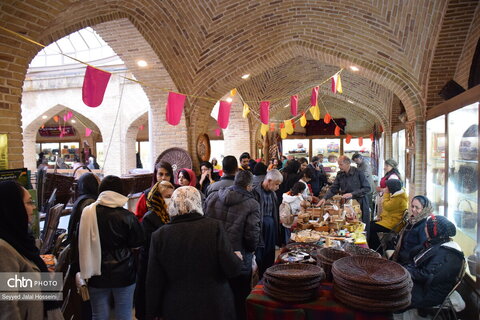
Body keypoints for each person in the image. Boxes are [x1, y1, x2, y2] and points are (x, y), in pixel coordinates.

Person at [146, 186, 242, 320]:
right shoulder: (214, 227)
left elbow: (154, 281)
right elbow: (232, 269)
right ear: (197, 202)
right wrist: (237, 258)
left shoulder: (159, 236)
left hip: (177, 307)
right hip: (215, 305)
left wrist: (152, 312)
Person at [78, 175, 144, 320]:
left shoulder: (88, 212)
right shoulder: (127, 216)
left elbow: (80, 242)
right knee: (124, 314)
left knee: (99, 315)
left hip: (95, 273)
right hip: (124, 272)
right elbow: (137, 242)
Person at [0, 180, 63, 319]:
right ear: (12, 207)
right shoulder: (3, 249)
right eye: (28, 203)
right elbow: (7, 308)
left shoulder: (21, 243)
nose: (33, 208)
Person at [204, 171, 261, 320]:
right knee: (240, 296)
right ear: (249, 186)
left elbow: (204, 224)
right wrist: (252, 250)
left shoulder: (212, 196)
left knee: (218, 296)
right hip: (239, 258)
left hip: (214, 256)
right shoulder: (252, 204)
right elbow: (252, 235)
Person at [135, 180, 174, 320]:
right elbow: (150, 245)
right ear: (157, 198)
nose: (170, 200)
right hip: (150, 269)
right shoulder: (150, 217)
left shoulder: (171, 215)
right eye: (167, 197)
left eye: (172, 196)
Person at [406, 215, 464, 309]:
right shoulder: (438, 243)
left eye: (426, 226)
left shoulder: (448, 254)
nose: (424, 228)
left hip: (431, 292)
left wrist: (406, 271)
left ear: (433, 230)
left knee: (396, 294)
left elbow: (428, 275)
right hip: (426, 285)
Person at [318, 155, 371, 235]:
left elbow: (367, 188)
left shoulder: (359, 172)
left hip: (360, 202)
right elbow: (334, 188)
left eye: (341, 164)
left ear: (348, 163)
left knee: (362, 227)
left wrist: (352, 194)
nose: (339, 167)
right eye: (338, 164)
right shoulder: (340, 174)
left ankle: (365, 245)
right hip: (347, 204)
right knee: (348, 225)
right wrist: (324, 198)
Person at [252, 169, 283, 277]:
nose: (277, 187)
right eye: (276, 184)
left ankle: (268, 276)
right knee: (260, 256)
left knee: (270, 255)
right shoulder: (255, 192)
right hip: (260, 229)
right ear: (269, 181)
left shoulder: (273, 194)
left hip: (271, 228)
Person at [367, 179, 407, 253]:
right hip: (389, 220)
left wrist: (385, 194)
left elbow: (386, 206)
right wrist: (381, 217)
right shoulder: (397, 195)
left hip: (393, 224)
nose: (385, 188)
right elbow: (389, 212)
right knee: (369, 224)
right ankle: (373, 247)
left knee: (370, 228)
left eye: (387, 187)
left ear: (391, 188)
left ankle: (377, 250)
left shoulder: (399, 199)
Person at [392, 195, 433, 265]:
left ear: (425, 209)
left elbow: (422, 250)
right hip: (402, 257)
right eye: (412, 206)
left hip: (409, 263)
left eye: (417, 207)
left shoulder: (425, 226)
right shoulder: (412, 221)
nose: (413, 210)